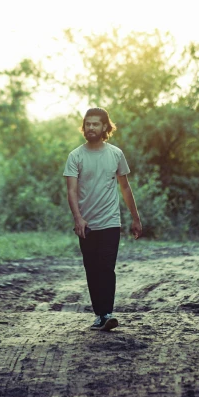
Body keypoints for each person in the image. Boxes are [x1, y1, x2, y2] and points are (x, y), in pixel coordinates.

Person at [63, 107, 142, 331]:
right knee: (92, 268)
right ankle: (99, 314)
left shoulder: (115, 154)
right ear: (84, 127)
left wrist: (135, 218)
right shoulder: (75, 156)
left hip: (110, 222)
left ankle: (107, 313)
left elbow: (125, 188)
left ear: (105, 127)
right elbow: (71, 191)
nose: (91, 127)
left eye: (96, 124)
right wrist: (78, 219)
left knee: (106, 267)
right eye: (88, 124)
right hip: (86, 224)